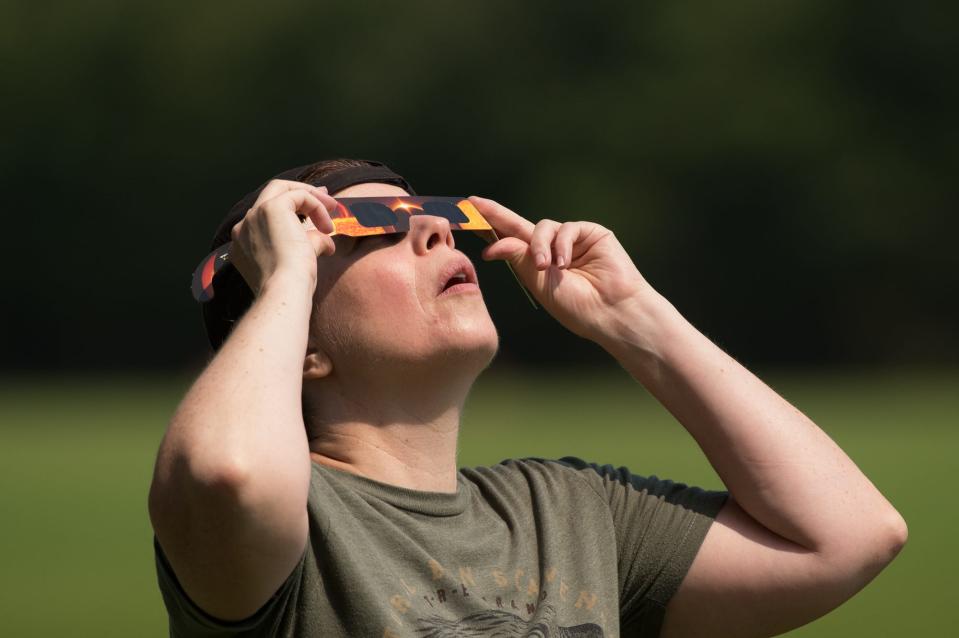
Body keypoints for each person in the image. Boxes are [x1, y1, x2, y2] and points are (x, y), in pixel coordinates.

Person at [148, 158, 907, 638]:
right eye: (367, 232)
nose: (436, 237)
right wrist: (283, 277)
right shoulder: (298, 529)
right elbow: (228, 473)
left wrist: (633, 319)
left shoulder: (574, 513)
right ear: (301, 344)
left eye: (436, 220)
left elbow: (848, 536)